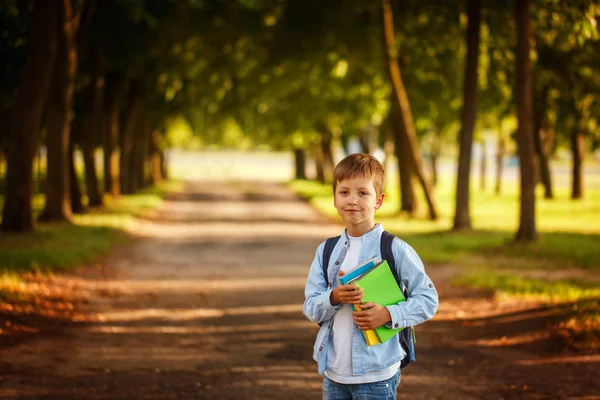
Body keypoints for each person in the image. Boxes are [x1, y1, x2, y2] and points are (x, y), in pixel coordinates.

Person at [303, 153, 439, 400]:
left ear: (379, 200)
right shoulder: (326, 251)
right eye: (344, 192)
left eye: (363, 193)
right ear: (334, 198)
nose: (352, 200)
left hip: (377, 376)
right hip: (334, 373)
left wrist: (388, 314)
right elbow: (311, 307)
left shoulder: (395, 249)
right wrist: (334, 297)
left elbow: (428, 299)